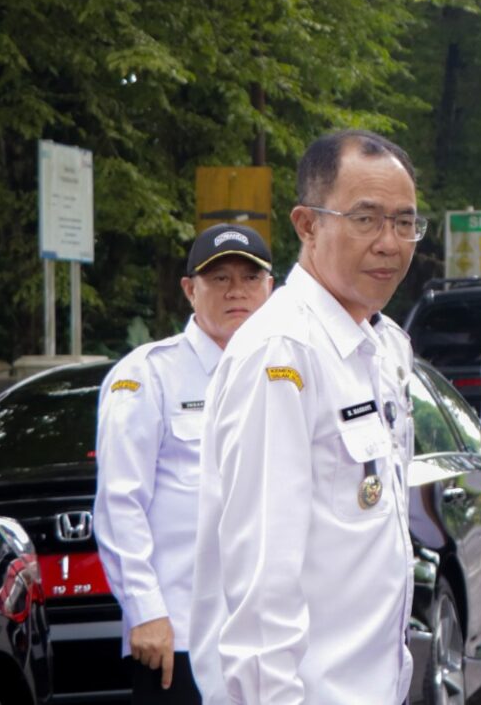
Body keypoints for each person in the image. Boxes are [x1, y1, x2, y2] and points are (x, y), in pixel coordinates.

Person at [190, 130, 422, 704]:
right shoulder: (282, 353)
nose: (389, 243)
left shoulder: (384, 345)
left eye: (404, 222)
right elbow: (263, 580)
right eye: (366, 219)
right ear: (308, 224)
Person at [95, 224, 274, 704]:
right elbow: (120, 505)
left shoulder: (284, 375)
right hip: (181, 637)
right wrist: (146, 611)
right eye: (219, 278)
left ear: (271, 288)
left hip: (270, 636)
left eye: (250, 277)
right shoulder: (147, 376)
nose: (237, 290)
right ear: (190, 290)